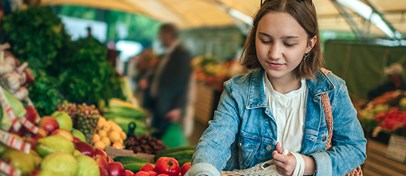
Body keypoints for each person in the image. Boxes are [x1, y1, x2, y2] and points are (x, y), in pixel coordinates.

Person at [189, 0, 366, 175]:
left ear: (309, 44)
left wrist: (306, 165)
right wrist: (204, 170)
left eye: (289, 44)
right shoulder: (238, 91)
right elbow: (215, 141)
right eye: (265, 40)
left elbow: (355, 148)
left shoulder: (332, 89)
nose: (274, 54)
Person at [146, 23, 192, 146]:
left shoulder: (182, 54)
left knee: (163, 141)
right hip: (159, 103)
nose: (159, 38)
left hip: (169, 106)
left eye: (161, 35)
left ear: (168, 34)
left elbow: (184, 83)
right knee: (155, 137)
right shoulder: (166, 53)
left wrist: (178, 107)